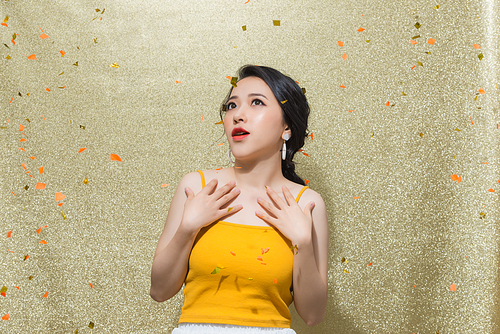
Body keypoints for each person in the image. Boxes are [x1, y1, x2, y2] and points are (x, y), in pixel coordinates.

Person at [150, 65, 328, 333]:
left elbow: (313, 315)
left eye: (257, 102)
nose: (237, 115)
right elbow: (159, 291)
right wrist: (187, 229)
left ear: (287, 126)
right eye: (231, 106)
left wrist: (303, 243)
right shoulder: (197, 187)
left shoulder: (307, 203)